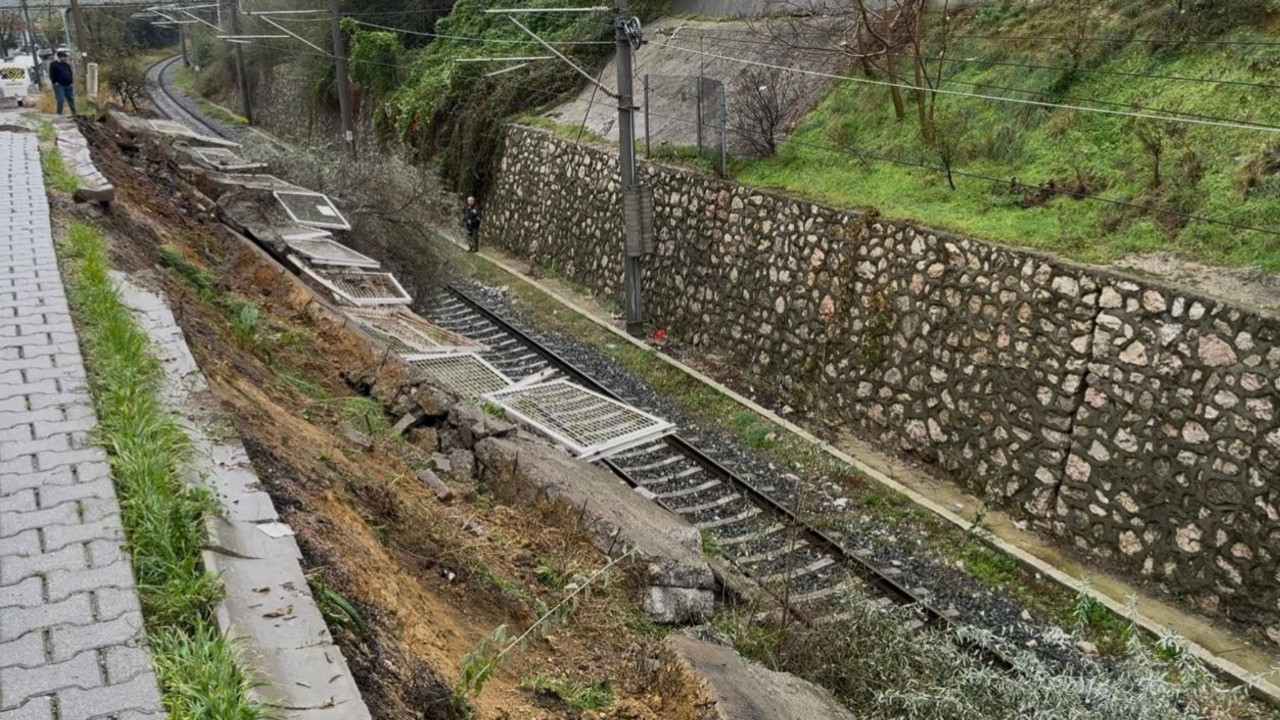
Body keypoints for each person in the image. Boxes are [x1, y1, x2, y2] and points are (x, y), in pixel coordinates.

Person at [49, 51, 76, 116]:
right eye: (64, 57)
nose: (65, 59)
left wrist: (71, 82)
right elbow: (51, 73)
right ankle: (59, 113)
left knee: (71, 99)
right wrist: (54, 82)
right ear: (59, 57)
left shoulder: (67, 65)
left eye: (65, 57)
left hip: (68, 85)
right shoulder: (54, 64)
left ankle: (74, 113)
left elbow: (70, 73)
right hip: (59, 85)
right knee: (60, 99)